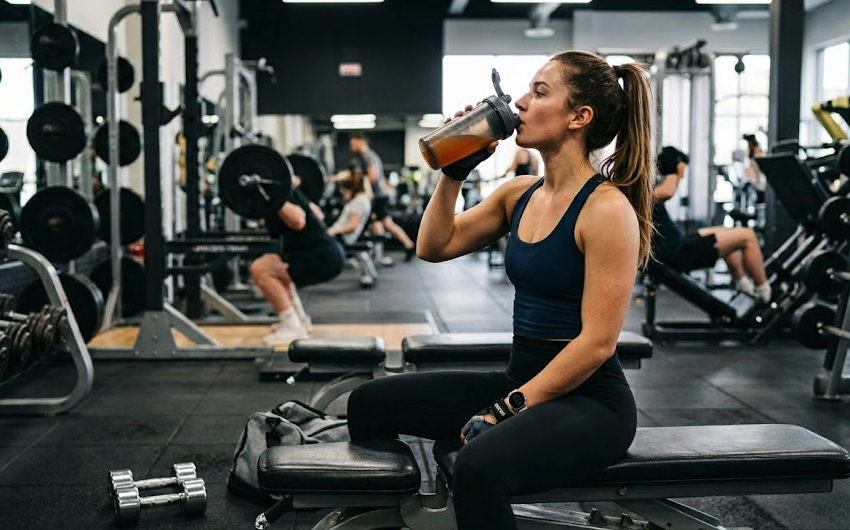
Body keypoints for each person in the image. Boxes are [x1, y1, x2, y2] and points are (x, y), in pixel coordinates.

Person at [346, 53, 655, 530]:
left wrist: (504, 409)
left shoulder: (606, 209)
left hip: (590, 403)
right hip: (521, 379)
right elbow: (434, 245)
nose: (521, 103)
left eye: (539, 91)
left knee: (477, 467)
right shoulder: (520, 194)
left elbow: (597, 344)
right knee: (369, 402)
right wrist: (454, 172)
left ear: (580, 117)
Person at [652, 145, 772, 303]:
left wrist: (674, 170)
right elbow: (667, 191)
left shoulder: (645, 189)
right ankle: (765, 292)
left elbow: (667, 189)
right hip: (677, 253)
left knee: (727, 232)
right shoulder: (645, 194)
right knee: (747, 235)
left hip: (678, 244)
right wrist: (675, 169)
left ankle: (743, 284)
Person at [250, 177, 346, 345]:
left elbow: (298, 221)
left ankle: (292, 326)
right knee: (271, 263)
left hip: (322, 256)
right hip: (325, 253)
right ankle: (299, 320)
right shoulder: (292, 194)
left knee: (260, 269)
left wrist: (274, 200)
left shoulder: (279, 196)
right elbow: (318, 214)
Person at [346, 132, 416, 263]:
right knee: (376, 224)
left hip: (377, 197)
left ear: (361, 141)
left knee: (386, 224)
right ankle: (380, 255)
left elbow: (372, 177)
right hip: (376, 197)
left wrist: (356, 185)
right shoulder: (364, 157)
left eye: (352, 144)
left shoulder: (368, 156)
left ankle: (409, 245)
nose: (350, 147)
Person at [326, 166, 372, 245]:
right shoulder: (358, 199)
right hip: (338, 236)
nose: (342, 191)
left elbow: (352, 225)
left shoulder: (360, 200)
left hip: (343, 239)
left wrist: (334, 231)